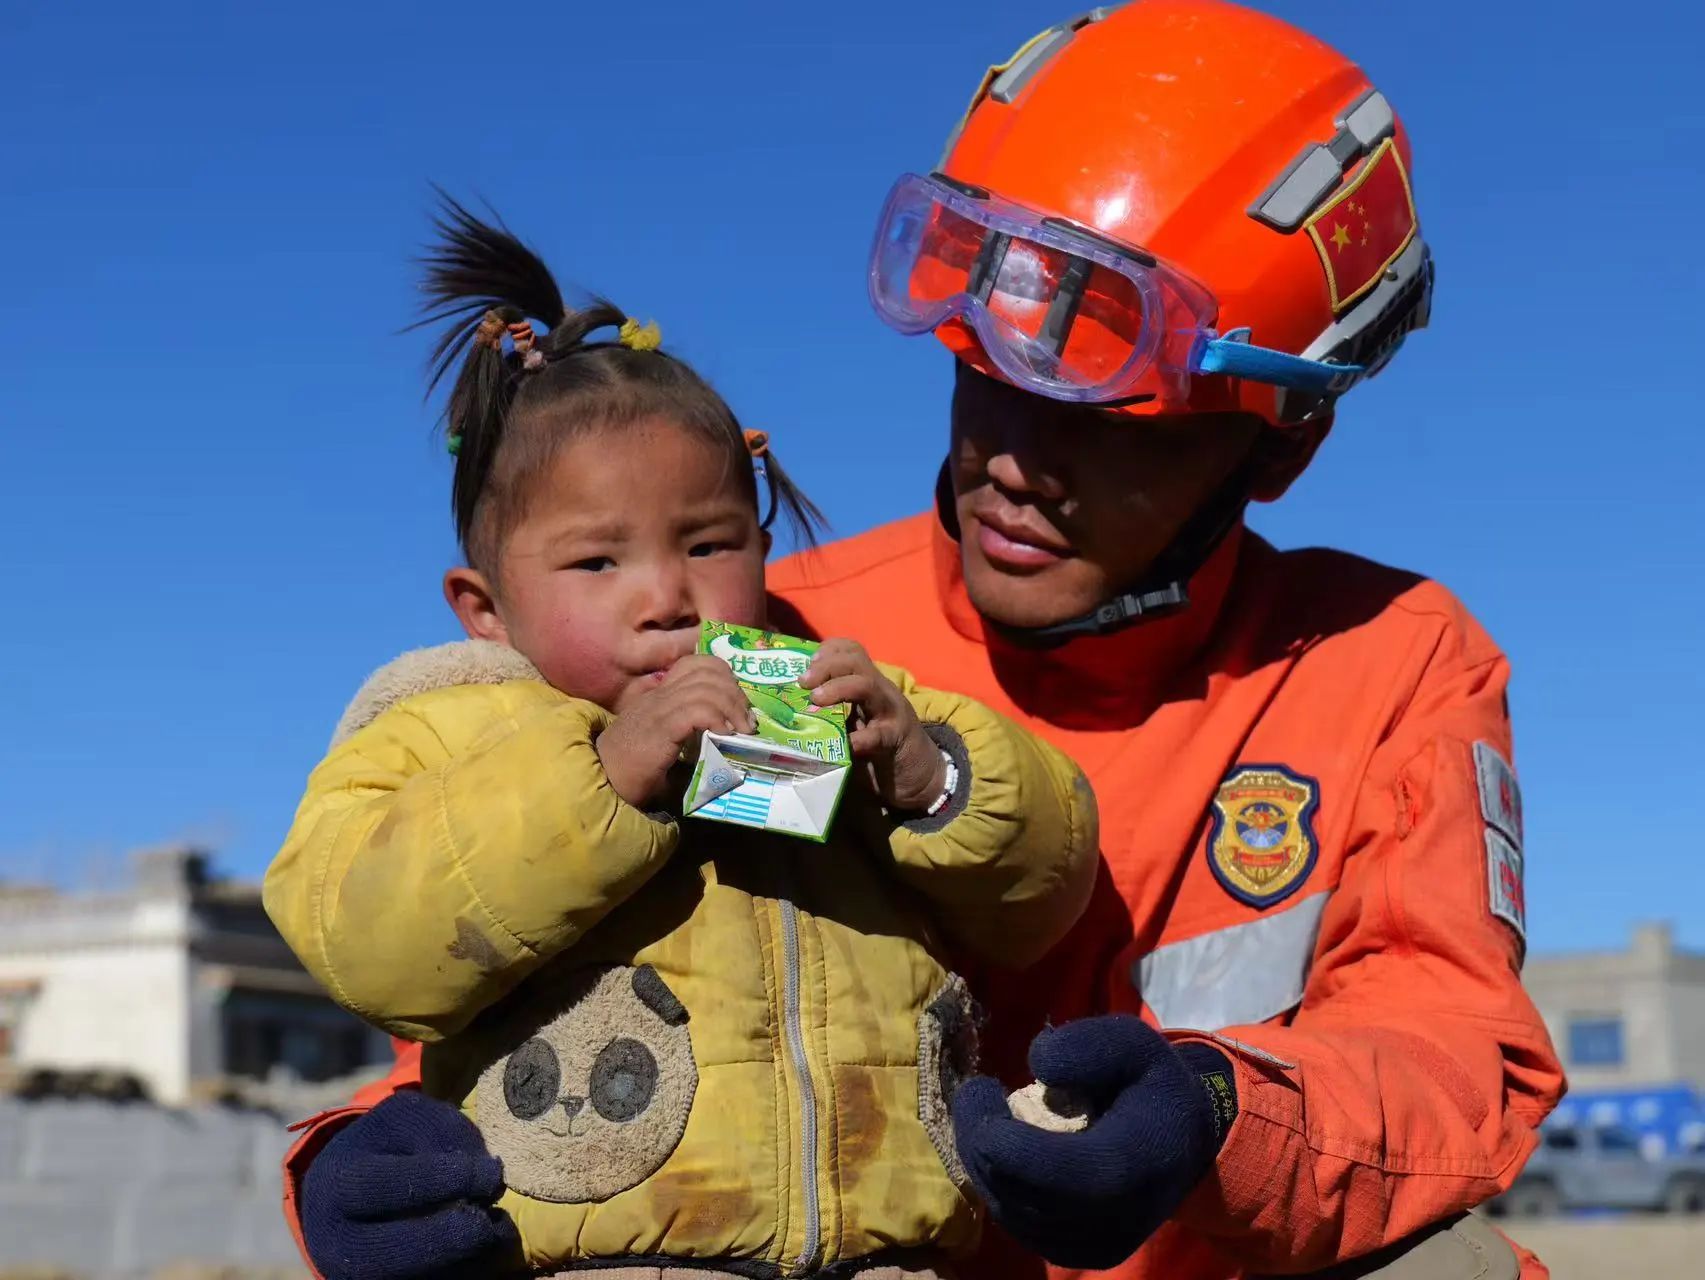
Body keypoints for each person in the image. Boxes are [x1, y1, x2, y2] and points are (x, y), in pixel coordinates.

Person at [278, 4, 1564, 1278]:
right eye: (990, 378)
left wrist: (1218, 1119)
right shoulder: (761, 632)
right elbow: (512, 962)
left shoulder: (1389, 663)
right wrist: (358, 1163)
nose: (1016, 463)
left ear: (1279, 442)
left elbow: (1447, 1044)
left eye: (1110, 424)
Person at [263, 199, 1100, 1279]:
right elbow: (362, 939)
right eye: (597, 562)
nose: (667, 596)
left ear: (761, 543)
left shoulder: (838, 702)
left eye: (707, 544)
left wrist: (929, 774)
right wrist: (603, 783)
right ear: (486, 607)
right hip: (607, 1256)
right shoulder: (449, 728)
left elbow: (1046, 895)